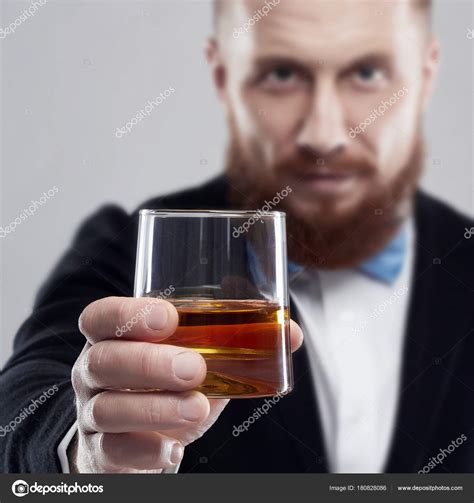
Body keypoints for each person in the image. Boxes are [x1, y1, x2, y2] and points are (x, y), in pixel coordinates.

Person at [1, 0, 473, 474]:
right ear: (223, 76)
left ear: (426, 74)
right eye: (282, 74)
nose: (324, 134)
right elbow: (23, 403)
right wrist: (86, 450)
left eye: (367, 73)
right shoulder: (127, 251)